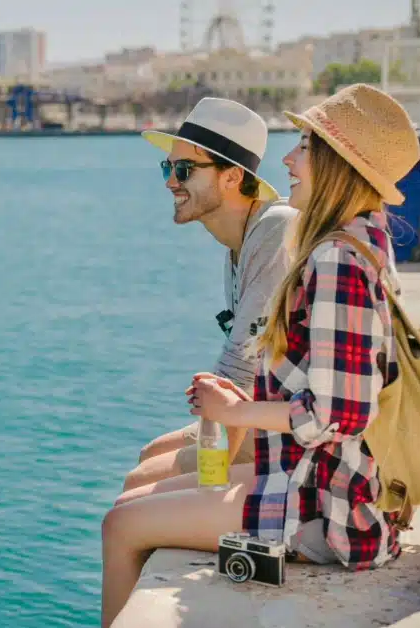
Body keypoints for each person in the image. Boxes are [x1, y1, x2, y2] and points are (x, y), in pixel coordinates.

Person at [100, 83, 420, 628]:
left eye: (305, 146)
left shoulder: (334, 258)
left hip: (326, 504)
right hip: (313, 474)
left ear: (338, 164)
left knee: (121, 527)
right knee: (135, 502)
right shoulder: (355, 239)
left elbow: (341, 413)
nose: (290, 158)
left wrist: (234, 413)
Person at [122, 98, 296, 496]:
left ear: (232, 177)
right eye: (168, 167)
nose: (170, 182)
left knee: (138, 487)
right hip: (268, 414)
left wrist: (209, 486)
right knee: (151, 454)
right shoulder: (239, 245)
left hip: (302, 432)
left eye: (183, 169)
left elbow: (239, 374)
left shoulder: (274, 234)